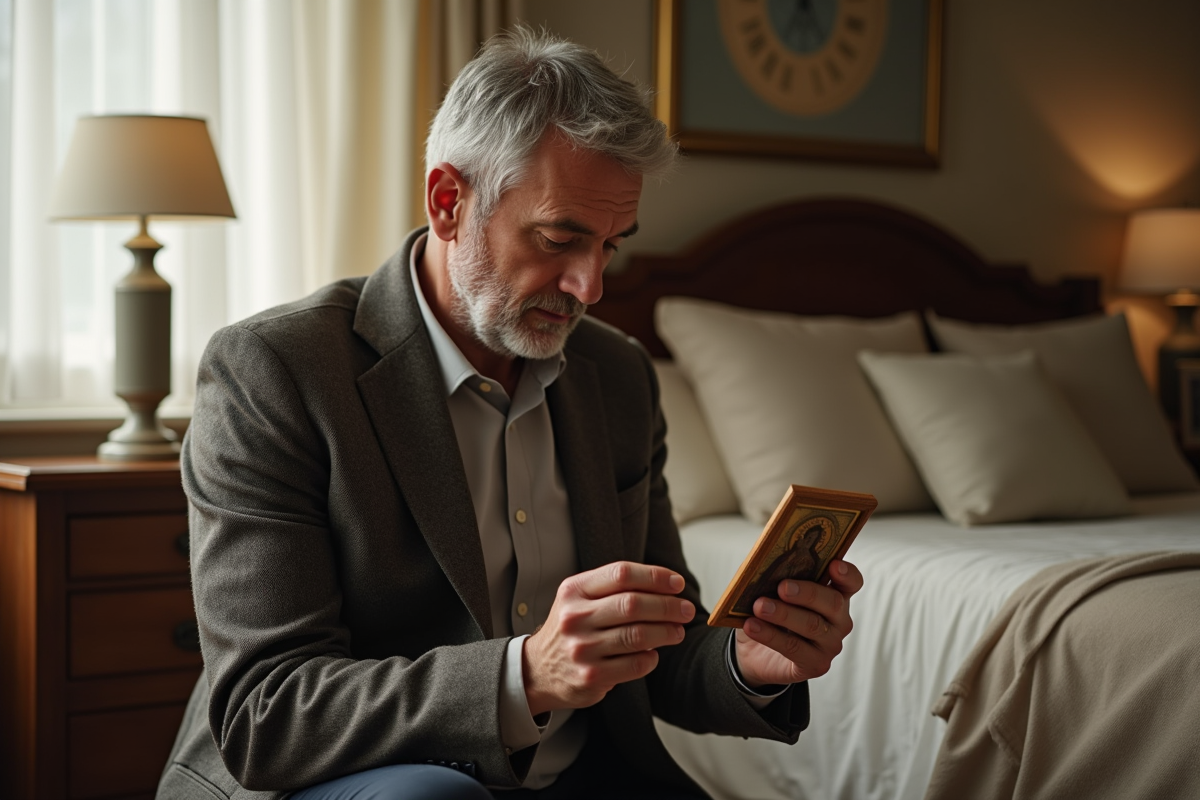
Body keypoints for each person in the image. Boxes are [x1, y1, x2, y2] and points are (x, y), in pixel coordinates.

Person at [157, 27, 863, 800]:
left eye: (611, 246)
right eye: (561, 239)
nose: (590, 285)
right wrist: (524, 675)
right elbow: (269, 711)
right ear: (448, 201)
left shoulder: (618, 376)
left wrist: (750, 665)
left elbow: (659, 645)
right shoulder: (277, 372)